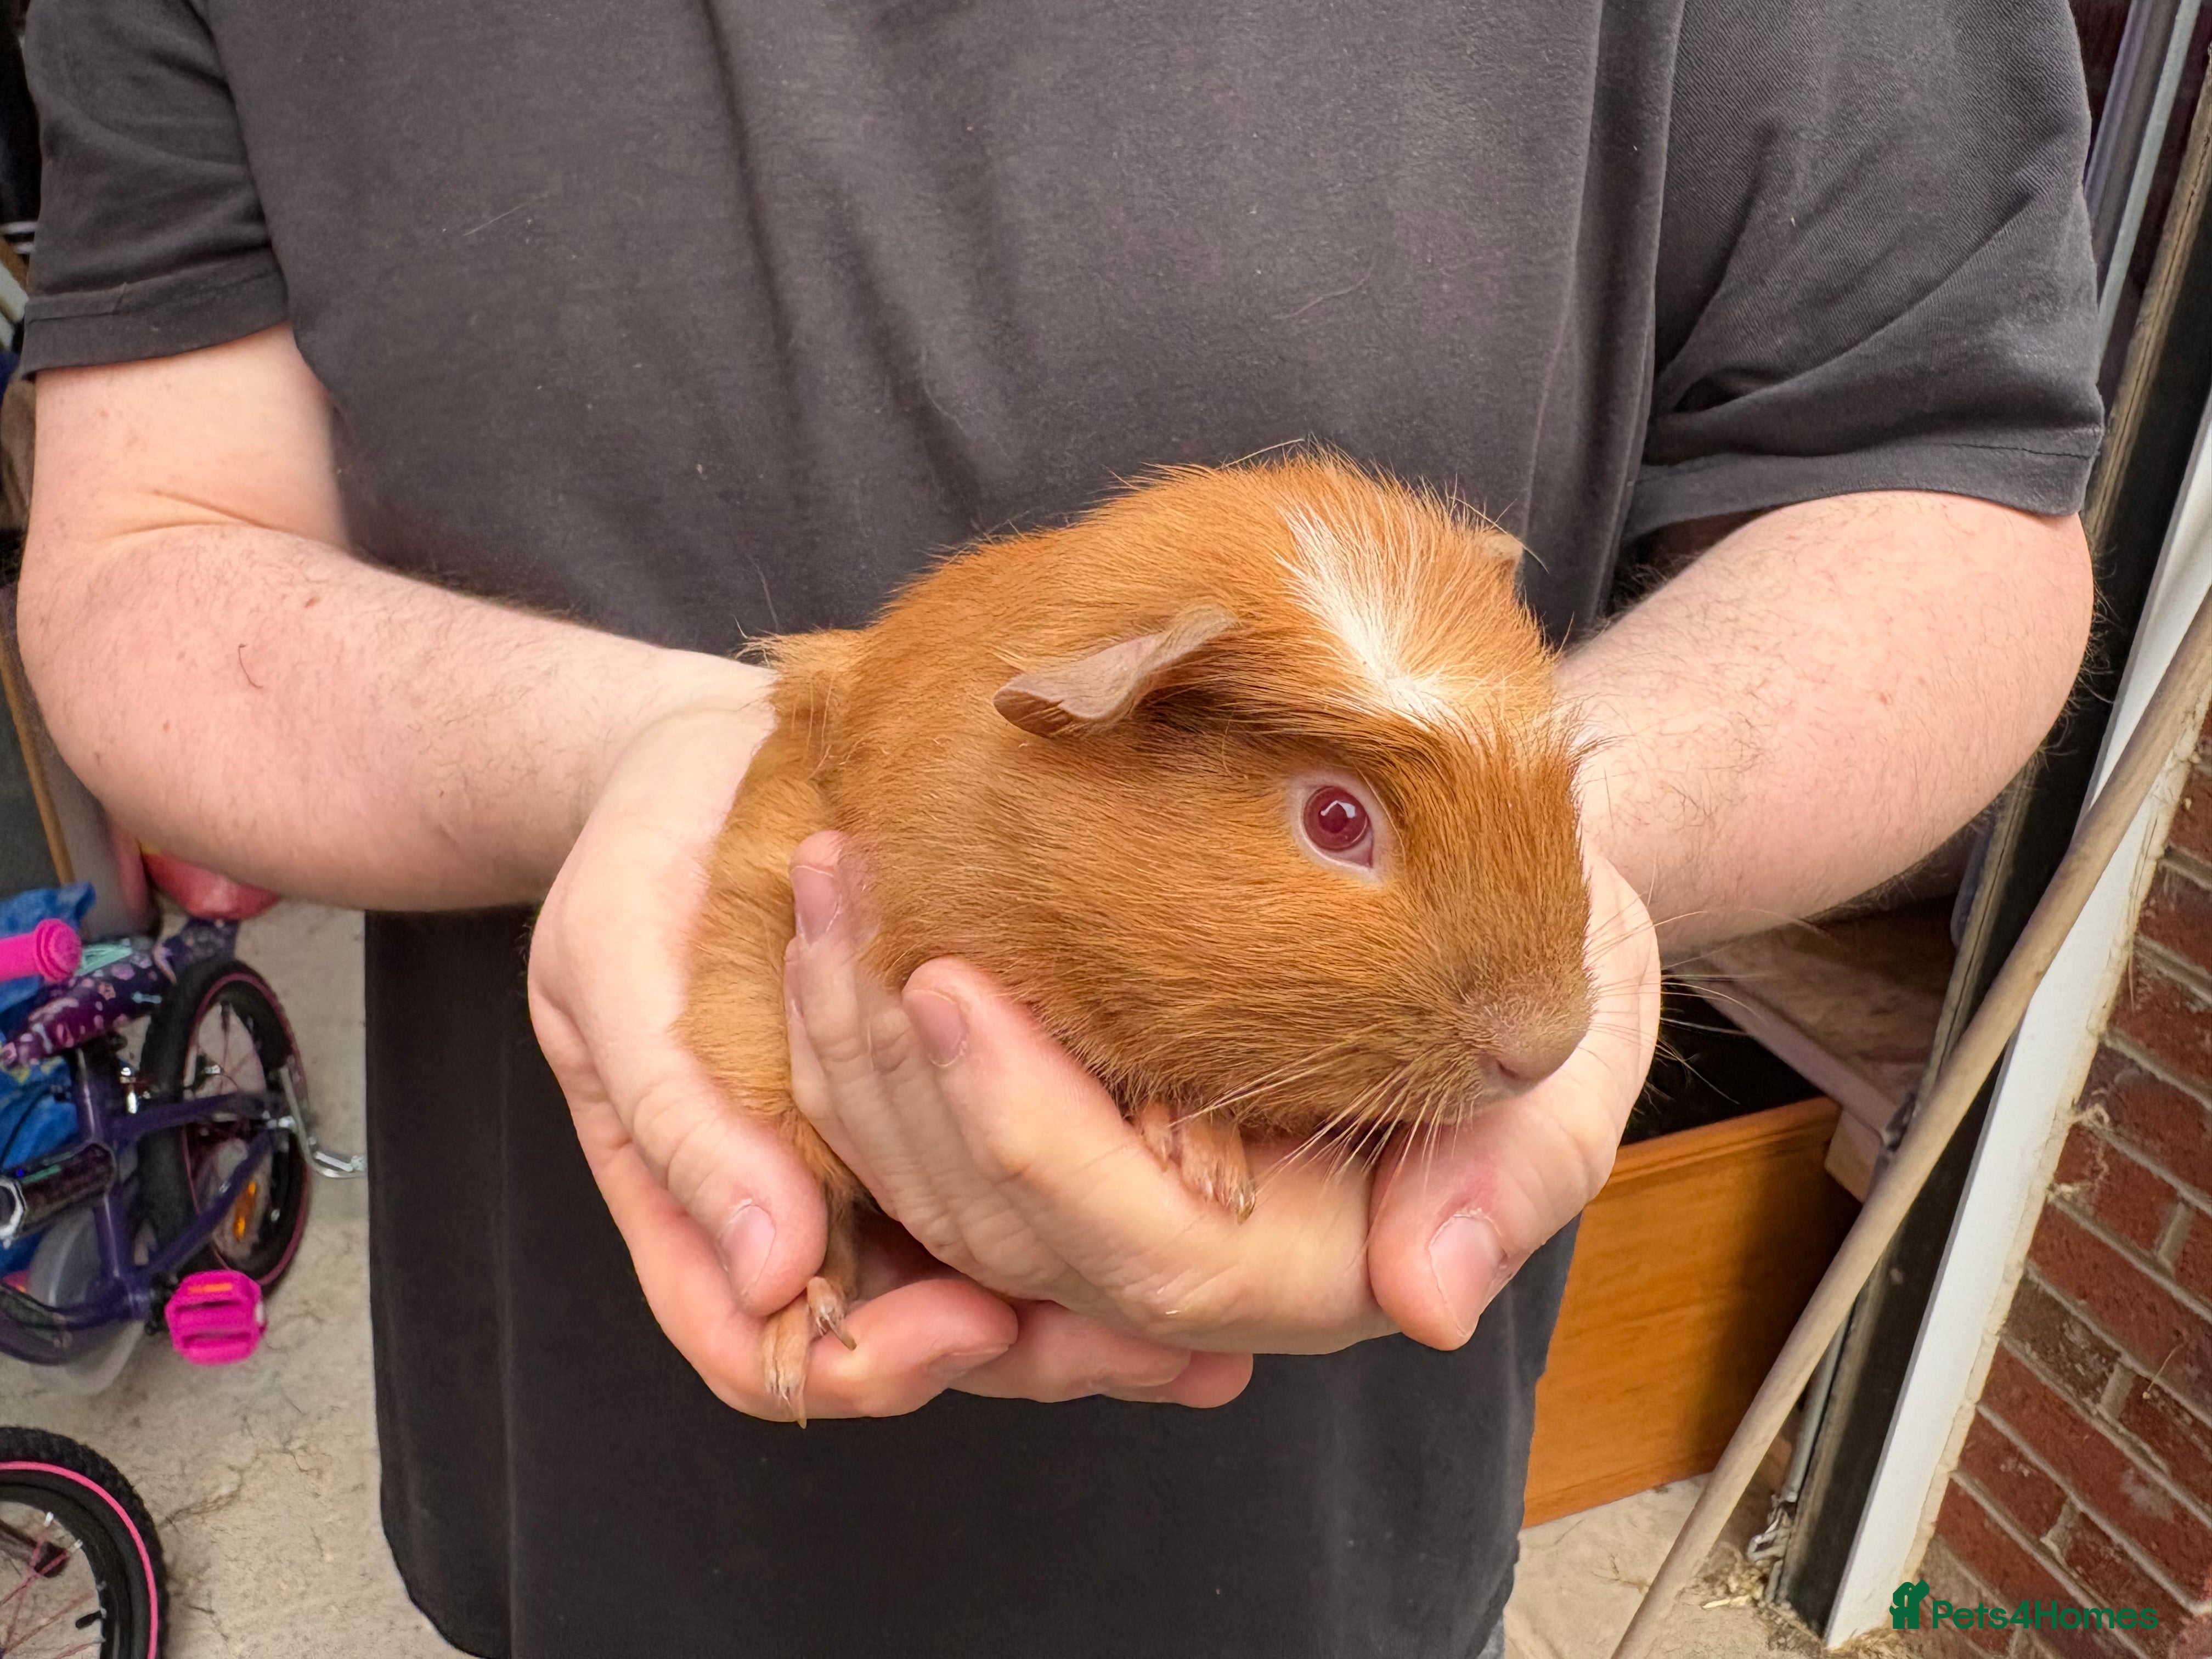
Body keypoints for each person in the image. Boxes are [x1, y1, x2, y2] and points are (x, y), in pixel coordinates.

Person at [15, 1, 2099, 1655]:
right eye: (1346, 819)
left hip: (1335, 1544)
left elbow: (1954, 486)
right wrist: (635, 751)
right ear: (1106, 720)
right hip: (585, 1478)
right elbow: (142, 564)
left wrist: (1598, 819)